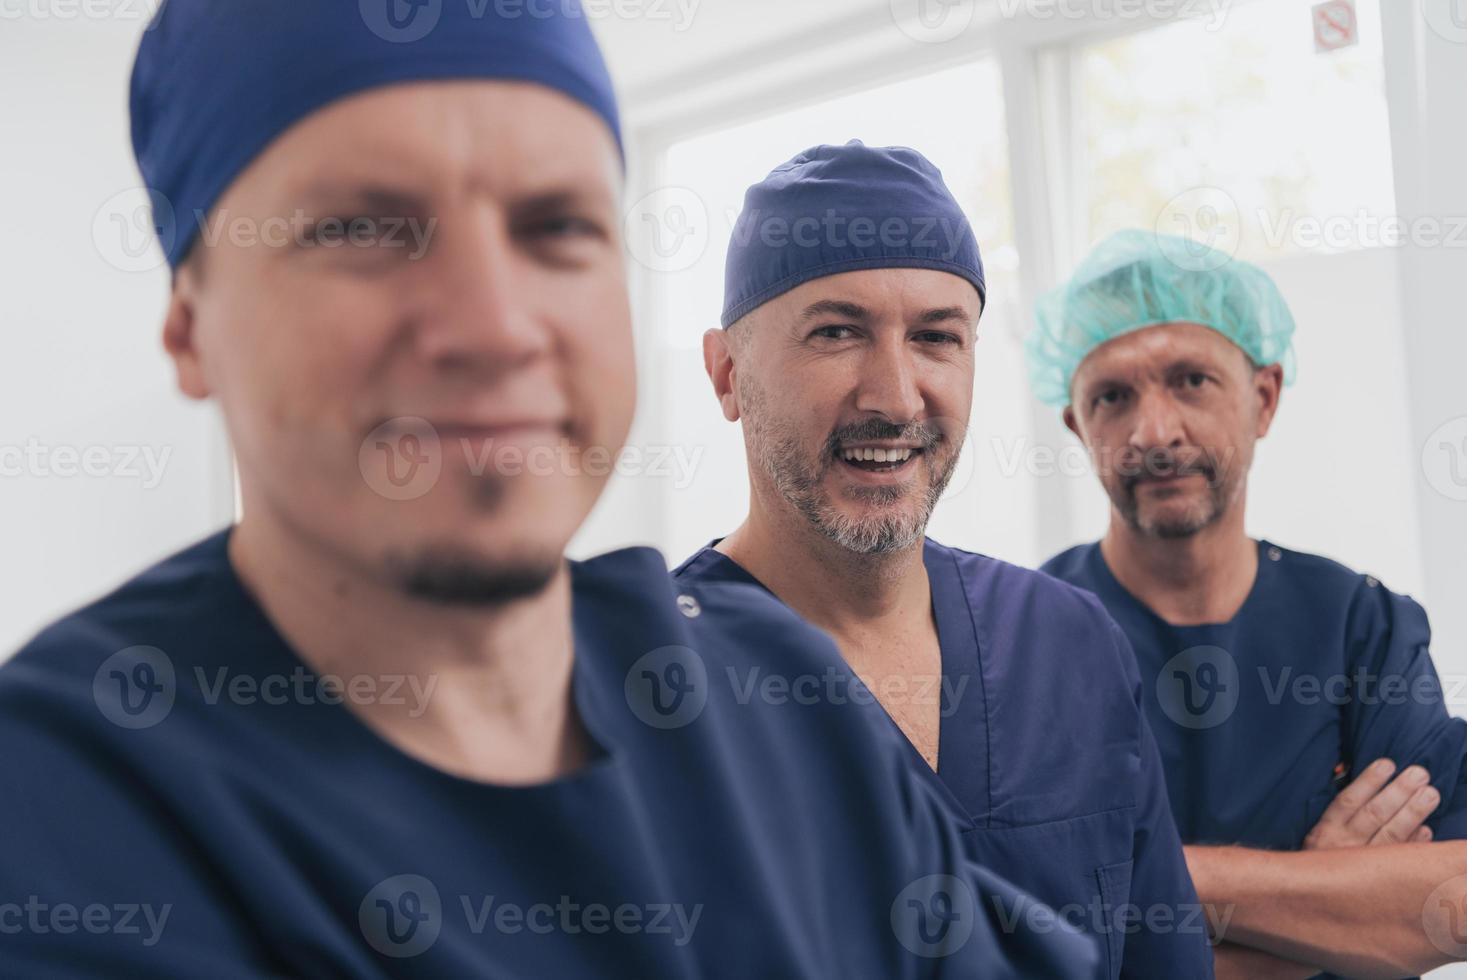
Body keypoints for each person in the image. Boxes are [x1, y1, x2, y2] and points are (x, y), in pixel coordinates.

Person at [0, 6, 1104, 978]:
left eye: (557, 228)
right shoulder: (75, 799)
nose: (492, 324)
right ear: (192, 328)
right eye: (362, 229)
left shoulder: (773, 706)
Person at [673, 141, 1215, 979]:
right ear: (727, 374)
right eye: (835, 332)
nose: (894, 396)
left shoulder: (1065, 642)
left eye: (935, 338)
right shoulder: (649, 693)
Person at [1034, 228, 1467, 978]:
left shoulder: (1360, 629)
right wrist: (1321, 894)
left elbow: (1445, 910)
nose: (1154, 431)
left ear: (1261, 398)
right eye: (1111, 396)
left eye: (1191, 380)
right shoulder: (1021, 638)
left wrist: (1147, 879)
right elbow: (1022, 945)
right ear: (1077, 426)